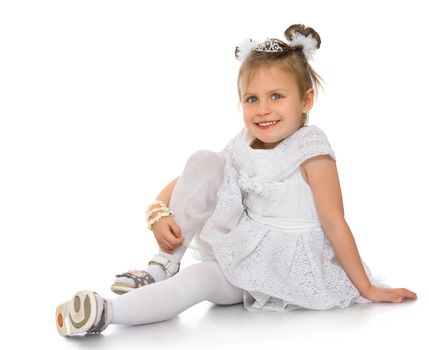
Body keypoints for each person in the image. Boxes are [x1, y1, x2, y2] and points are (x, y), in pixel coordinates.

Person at [55, 24, 418, 337]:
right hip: (244, 249)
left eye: (277, 96)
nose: (263, 109)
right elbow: (195, 178)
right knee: (203, 167)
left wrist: (367, 287)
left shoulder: (312, 150)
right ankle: (132, 289)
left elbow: (335, 222)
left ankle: (109, 310)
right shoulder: (243, 143)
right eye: (251, 98)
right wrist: (157, 209)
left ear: (306, 99)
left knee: (201, 280)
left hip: (289, 264)